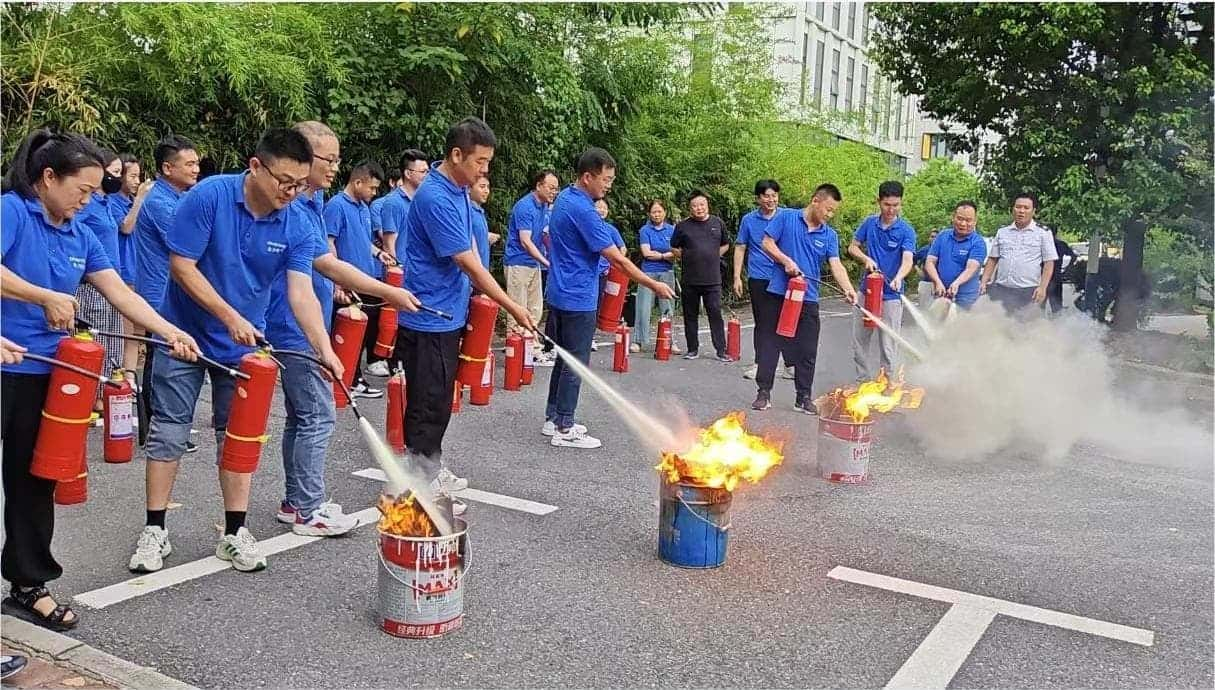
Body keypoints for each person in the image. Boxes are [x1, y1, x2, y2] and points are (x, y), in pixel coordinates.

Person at [2, 129, 199, 631]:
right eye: (82, 190)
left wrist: (170, 330)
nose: (88, 200)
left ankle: (29, 584)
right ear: (48, 178)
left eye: (94, 193)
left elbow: (119, 293)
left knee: (32, 481)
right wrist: (41, 296)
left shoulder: (80, 234)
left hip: (49, 373)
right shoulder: (11, 212)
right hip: (3, 363)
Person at [127, 128, 342, 574]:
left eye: (300, 183)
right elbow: (182, 267)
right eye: (284, 180)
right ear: (256, 166)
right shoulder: (208, 197)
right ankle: (155, 529)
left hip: (243, 347)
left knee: (238, 436)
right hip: (184, 335)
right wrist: (229, 316)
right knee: (169, 429)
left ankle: (234, 532)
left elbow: (301, 293)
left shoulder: (297, 221)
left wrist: (324, 348)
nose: (292, 191)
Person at [269, 123, 419, 537]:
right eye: (327, 160)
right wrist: (388, 293)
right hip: (295, 328)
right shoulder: (295, 208)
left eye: (337, 159)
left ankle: (296, 500)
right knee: (318, 416)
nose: (335, 167)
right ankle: (308, 508)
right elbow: (329, 264)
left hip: (310, 322)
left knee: (303, 417)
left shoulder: (313, 203)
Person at [394, 117, 534, 501]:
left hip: (448, 312)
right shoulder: (436, 197)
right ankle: (420, 474)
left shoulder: (458, 190)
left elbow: (472, 252)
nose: (484, 170)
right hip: (429, 316)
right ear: (456, 154)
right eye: (480, 161)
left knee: (439, 397)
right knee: (428, 399)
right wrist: (511, 306)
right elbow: (468, 263)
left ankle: (428, 466)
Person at [545, 147, 675, 448]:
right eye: (605, 179)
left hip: (560, 292)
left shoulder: (565, 198)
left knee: (563, 358)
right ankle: (564, 426)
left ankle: (553, 417)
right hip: (578, 296)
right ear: (587, 176)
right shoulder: (584, 211)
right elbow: (617, 260)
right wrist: (651, 284)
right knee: (576, 362)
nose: (608, 185)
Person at [754, 184, 857, 413]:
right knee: (770, 343)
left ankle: (803, 397)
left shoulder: (829, 235)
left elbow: (836, 264)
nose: (829, 215)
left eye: (833, 212)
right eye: (827, 209)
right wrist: (786, 261)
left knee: (807, 349)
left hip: (808, 298)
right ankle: (763, 393)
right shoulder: (786, 218)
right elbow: (767, 243)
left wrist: (849, 288)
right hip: (779, 292)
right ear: (815, 201)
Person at [134, 135, 200, 449]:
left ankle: (155, 428)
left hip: (166, 288)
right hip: (158, 289)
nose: (196, 169)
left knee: (160, 354)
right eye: (189, 163)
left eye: (196, 163)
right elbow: (190, 244)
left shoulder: (177, 199)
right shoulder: (160, 203)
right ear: (167, 167)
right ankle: (155, 429)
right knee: (160, 357)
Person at [325, 159, 387, 398]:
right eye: (371, 187)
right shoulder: (336, 206)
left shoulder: (363, 208)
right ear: (357, 181)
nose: (374, 192)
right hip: (347, 283)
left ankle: (353, 376)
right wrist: (337, 281)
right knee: (345, 332)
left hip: (365, 279)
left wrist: (379, 253)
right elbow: (329, 243)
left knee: (361, 331)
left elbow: (363, 240)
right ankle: (348, 379)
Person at [847, 180, 917, 381]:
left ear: (901, 203)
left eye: (896, 205)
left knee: (888, 343)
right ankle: (863, 381)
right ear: (879, 201)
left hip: (891, 296)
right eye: (887, 204)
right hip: (866, 291)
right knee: (859, 340)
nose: (891, 209)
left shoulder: (906, 230)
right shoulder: (869, 223)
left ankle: (886, 383)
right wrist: (865, 258)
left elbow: (908, 259)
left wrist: (898, 277)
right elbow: (853, 247)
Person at [369, 149, 428, 377]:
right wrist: (395, 270)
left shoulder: (422, 200)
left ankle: (407, 362)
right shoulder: (394, 202)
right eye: (422, 171)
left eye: (427, 171)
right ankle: (394, 363)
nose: (425, 175)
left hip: (417, 269)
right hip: (400, 270)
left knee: (411, 318)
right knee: (396, 319)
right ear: (408, 173)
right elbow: (389, 241)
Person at [74, 151, 127, 385]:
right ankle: (90, 394)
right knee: (95, 341)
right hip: (92, 286)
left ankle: (107, 392)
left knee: (113, 342)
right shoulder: (85, 205)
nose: (118, 178)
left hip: (113, 282)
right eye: (115, 172)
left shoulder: (107, 203)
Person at [733, 180, 791, 380]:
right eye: (766, 196)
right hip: (758, 277)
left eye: (774, 195)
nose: (771, 199)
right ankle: (761, 364)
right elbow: (740, 247)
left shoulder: (787, 217)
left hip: (783, 277)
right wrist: (737, 277)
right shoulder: (749, 220)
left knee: (787, 320)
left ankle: (790, 365)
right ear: (758, 198)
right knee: (763, 323)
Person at [505, 170, 559, 365]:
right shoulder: (525, 207)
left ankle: (533, 349)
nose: (554, 192)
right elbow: (526, 242)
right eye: (551, 188)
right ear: (538, 186)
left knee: (535, 308)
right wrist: (547, 263)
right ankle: (517, 350)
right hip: (518, 262)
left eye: (556, 189)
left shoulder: (544, 206)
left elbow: (545, 234)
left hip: (533, 264)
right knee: (518, 308)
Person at [671, 190, 731, 361]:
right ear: (690, 208)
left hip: (712, 279)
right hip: (690, 278)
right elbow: (674, 247)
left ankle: (721, 350)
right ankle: (692, 349)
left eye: (702, 205)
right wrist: (687, 256)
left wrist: (713, 255)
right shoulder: (683, 226)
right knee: (690, 315)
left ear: (707, 205)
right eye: (695, 206)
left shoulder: (717, 223)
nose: (699, 208)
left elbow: (726, 244)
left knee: (715, 313)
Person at [981, 192, 1057, 314]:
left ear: (1033, 211)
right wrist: (984, 281)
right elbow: (992, 259)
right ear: (1013, 209)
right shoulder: (1002, 232)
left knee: (1026, 329)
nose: (1021, 211)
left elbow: (1049, 263)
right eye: (1018, 207)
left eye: (1026, 208)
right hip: (1001, 290)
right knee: (998, 327)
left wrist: (1042, 288)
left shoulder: (1043, 233)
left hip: (1028, 292)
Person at [110, 154, 148, 381]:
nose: (137, 181)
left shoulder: (129, 201)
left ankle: (131, 377)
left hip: (135, 268)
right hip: (119, 272)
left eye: (139, 176)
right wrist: (140, 199)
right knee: (123, 330)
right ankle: (120, 375)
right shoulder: (112, 201)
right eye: (132, 175)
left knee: (133, 330)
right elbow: (126, 227)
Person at [633, 199, 680, 354]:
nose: (657, 214)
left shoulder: (672, 230)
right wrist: (664, 255)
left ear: (665, 212)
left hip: (667, 272)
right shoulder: (645, 230)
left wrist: (659, 255)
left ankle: (670, 341)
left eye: (659, 211)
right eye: (654, 211)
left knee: (668, 308)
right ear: (649, 214)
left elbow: (676, 253)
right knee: (643, 307)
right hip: (647, 273)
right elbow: (646, 253)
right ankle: (638, 341)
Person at [924, 201, 988, 310]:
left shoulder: (978, 242)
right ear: (953, 217)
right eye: (960, 219)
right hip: (940, 294)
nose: (963, 224)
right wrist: (937, 282)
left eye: (968, 220)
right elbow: (929, 262)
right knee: (936, 325)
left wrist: (956, 284)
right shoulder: (942, 236)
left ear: (975, 221)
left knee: (962, 326)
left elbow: (971, 268)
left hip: (966, 299)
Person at [1046, 226, 1076, 315]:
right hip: (1056, 276)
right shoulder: (1061, 244)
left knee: (1039, 305)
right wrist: (1068, 267)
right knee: (1057, 306)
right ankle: (1058, 325)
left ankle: (1039, 325)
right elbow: (1074, 256)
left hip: (1043, 277)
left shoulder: (1041, 244)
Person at [469, 176, 496, 268]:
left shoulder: (479, 211)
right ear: (469, 188)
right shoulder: (467, 211)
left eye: (488, 187)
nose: (486, 191)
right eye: (482, 186)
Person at [913, 230, 939, 310]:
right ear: (929, 238)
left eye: (936, 237)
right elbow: (912, 260)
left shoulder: (944, 250)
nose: (933, 239)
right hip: (926, 282)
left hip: (940, 284)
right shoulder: (924, 250)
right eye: (932, 236)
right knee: (924, 309)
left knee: (938, 310)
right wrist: (918, 270)